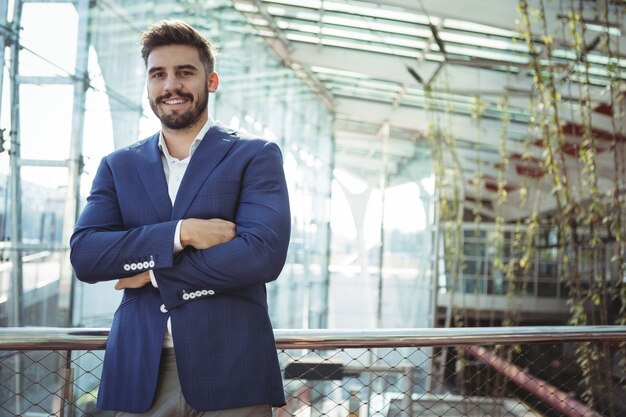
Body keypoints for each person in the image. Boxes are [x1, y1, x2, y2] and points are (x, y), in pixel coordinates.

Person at [70, 19, 291, 416]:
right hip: (140, 371)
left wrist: (155, 273)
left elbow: (262, 254)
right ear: (149, 85)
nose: (171, 85)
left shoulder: (254, 156)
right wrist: (180, 234)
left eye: (185, 72)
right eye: (159, 75)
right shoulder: (118, 166)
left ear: (211, 80)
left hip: (233, 367)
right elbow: (86, 255)